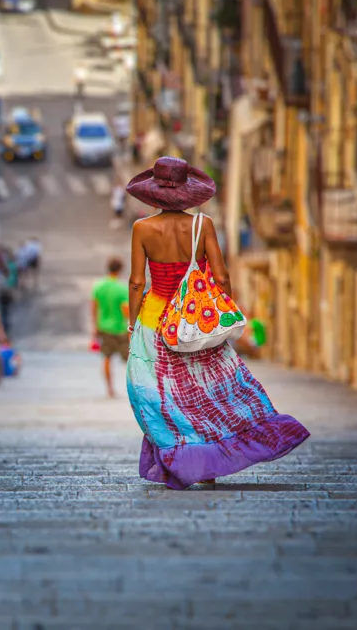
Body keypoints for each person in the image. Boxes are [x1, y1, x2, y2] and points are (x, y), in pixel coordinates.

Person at [123, 157, 310, 490]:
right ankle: (208, 464)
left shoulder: (142, 229)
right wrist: (220, 314)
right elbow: (221, 276)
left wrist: (132, 323)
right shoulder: (202, 225)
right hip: (197, 321)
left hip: (154, 322)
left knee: (160, 395)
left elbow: (137, 281)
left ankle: (181, 458)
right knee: (207, 393)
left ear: (154, 193)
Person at [92, 257, 130, 398]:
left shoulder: (99, 286)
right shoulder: (121, 288)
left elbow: (94, 308)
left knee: (107, 358)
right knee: (129, 360)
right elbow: (125, 309)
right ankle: (135, 387)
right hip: (120, 328)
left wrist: (95, 326)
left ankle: (110, 389)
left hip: (104, 327)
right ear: (120, 269)